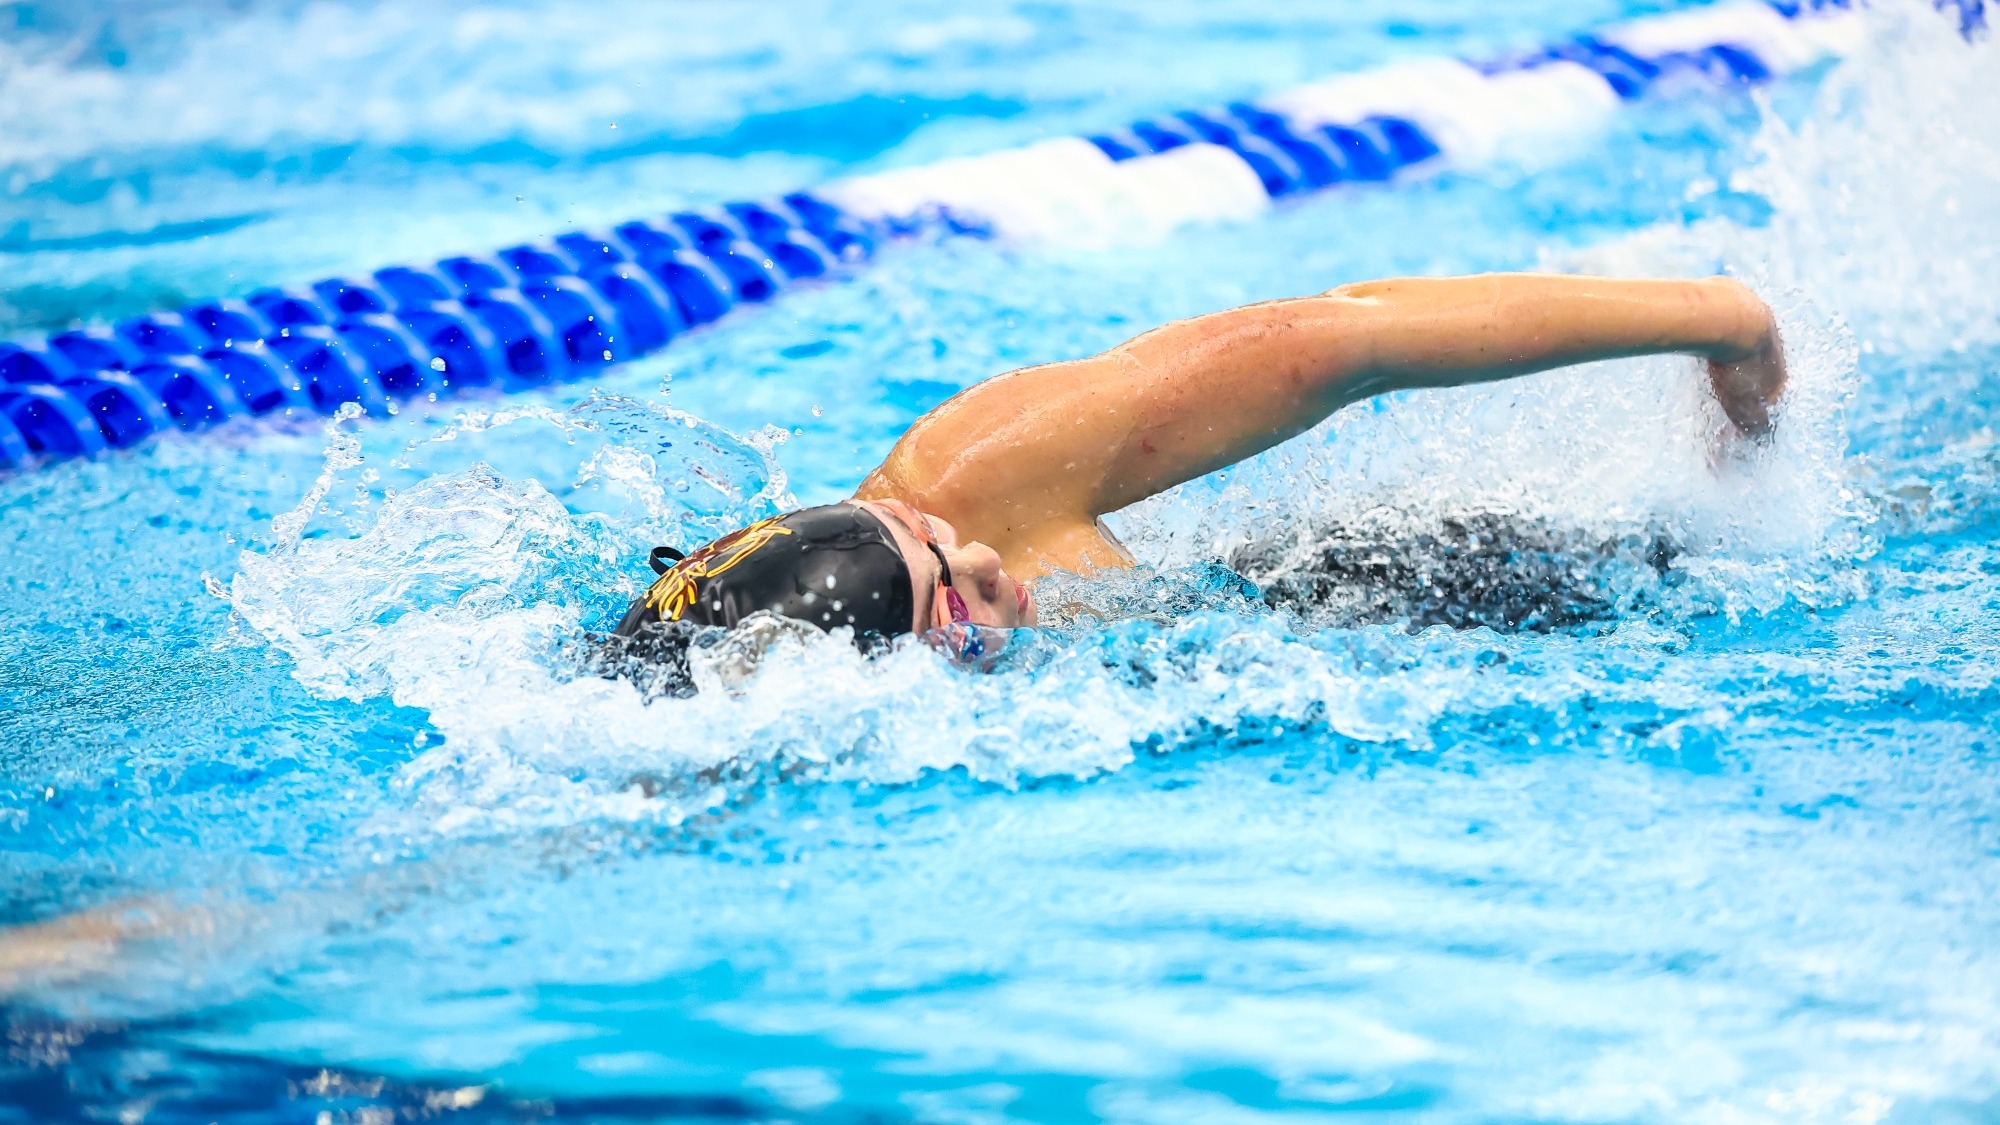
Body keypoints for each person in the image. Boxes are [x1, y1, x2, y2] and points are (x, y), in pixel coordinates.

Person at [610, 272, 1786, 658]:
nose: (974, 557)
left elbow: (1339, 342)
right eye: (949, 596)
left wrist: (1713, 318)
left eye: (933, 547)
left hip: (1381, 602)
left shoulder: (971, 478)